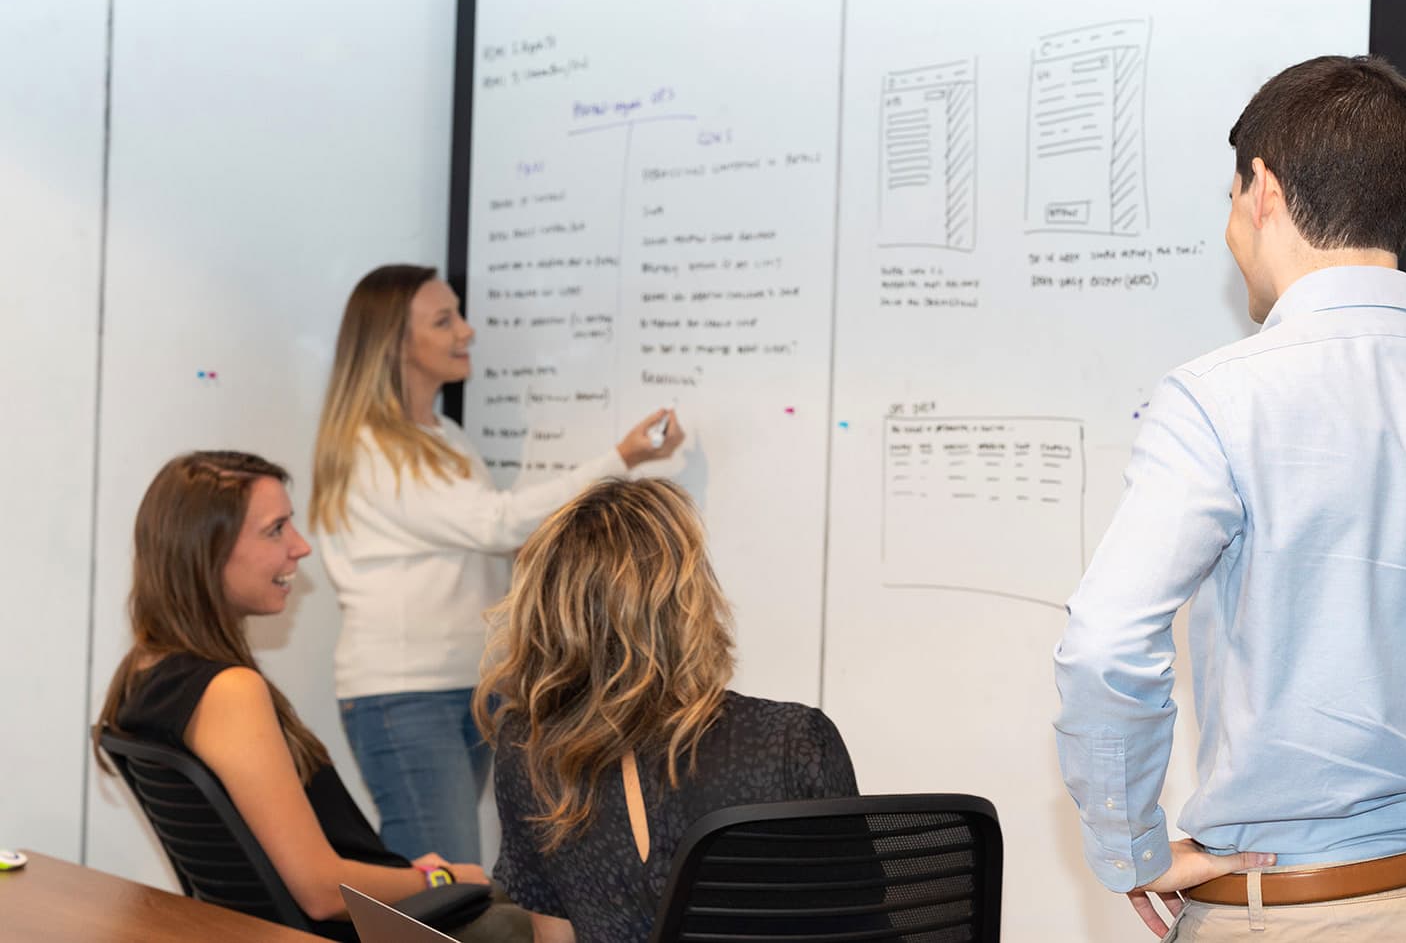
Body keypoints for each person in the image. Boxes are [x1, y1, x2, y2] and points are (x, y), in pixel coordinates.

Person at [1053, 55, 1406, 940]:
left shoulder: (1217, 399)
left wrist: (1134, 849)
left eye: (1231, 200)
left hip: (1289, 915)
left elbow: (1105, 647)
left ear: (1259, 188)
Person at [309, 264, 683, 864]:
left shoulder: (446, 436)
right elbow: (496, 523)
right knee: (441, 883)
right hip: (405, 696)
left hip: (466, 686)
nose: (467, 330)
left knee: (456, 878)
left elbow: (496, 536)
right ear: (395, 345)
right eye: (444, 319)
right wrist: (621, 459)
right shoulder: (372, 450)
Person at [93, 451, 530, 942]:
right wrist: (437, 878)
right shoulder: (228, 691)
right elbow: (321, 892)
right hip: (353, 929)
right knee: (530, 918)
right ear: (206, 550)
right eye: (275, 529)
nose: (300, 547)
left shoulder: (143, 673)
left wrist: (418, 875)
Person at [475, 478, 858, 942]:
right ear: (690, 600)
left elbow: (553, 938)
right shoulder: (793, 739)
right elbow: (861, 927)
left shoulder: (529, 748)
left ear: (548, 610)